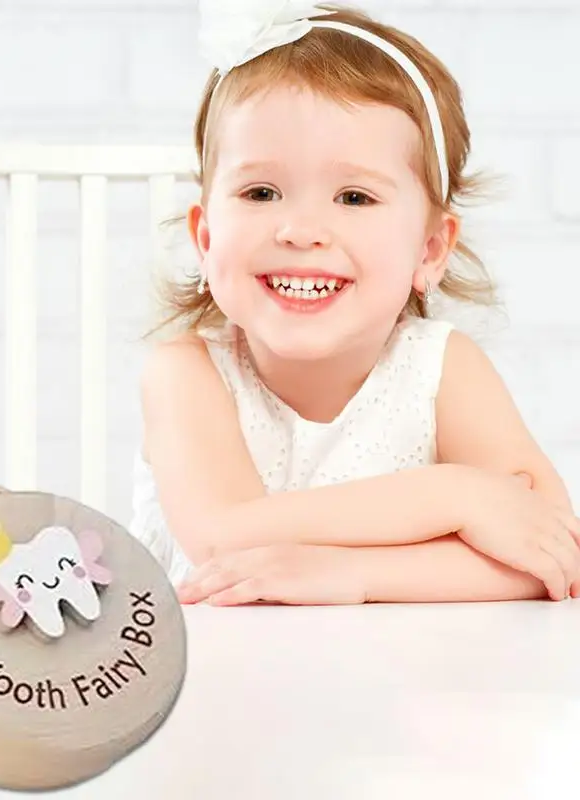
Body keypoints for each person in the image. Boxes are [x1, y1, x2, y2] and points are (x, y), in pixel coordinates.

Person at [128, 2, 580, 606]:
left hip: (395, 681)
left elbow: (549, 554)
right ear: (206, 239)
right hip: (219, 679)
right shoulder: (186, 373)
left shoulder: (442, 370)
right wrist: (457, 498)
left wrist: (357, 577)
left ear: (430, 249)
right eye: (261, 191)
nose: (301, 229)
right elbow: (222, 536)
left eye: (354, 196)